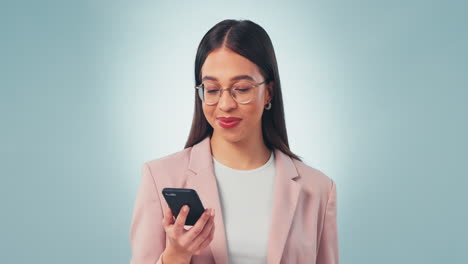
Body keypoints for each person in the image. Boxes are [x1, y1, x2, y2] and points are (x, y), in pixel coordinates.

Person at [129, 19, 339, 264]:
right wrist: (176, 256)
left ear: (268, 91)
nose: (226, 105)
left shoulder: (318, 189)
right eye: (212, 89)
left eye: (241, 89)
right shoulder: (160, 177)